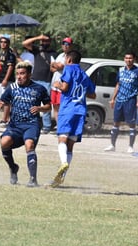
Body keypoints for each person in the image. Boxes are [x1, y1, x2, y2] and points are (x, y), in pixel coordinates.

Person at [47, 50, 96, 188]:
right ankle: (61, 177)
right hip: (80, 111)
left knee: (62, 138)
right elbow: (92, 94)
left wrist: (58, 85)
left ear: (68, 60)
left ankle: (63, 163)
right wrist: (80, 91)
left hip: (68, 109)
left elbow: (65, 87)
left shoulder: (68, 69)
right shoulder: (85, 75)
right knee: (70, 145)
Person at [0, 62, 51, 187]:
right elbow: (3, 101)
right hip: (15, 125)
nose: (19, 77)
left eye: (22, 74)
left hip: (32, 124)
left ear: (29, 74)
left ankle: (33, 179)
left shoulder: (39, 89)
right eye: (17, 74)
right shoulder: (12, 88)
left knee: (29, 144)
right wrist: (1, 105)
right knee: (4, 142)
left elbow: (49, 106)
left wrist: (40, 108)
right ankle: (13, 168)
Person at [104, 51, 138, 153]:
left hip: (130, 99)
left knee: (131, 123)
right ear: (124, 59)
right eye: (126, 58)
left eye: (130, 58)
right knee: (116, 122)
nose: (128, 60)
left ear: (134, 59)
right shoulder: (121, 70)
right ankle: (112, 145)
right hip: (120, 99)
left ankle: (130, 146)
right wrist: (113, 98)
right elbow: (118, 84)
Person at [22, 34, 57, 134]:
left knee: (46, 104)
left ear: (50, 42)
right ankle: (30, 123)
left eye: (46, 41)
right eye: (43, 41)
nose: (44, 43)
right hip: (35, 80)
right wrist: (38, 37)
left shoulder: (54, 53)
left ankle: (46, 126)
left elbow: (56, 67)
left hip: (47, 81)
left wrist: (53, 68)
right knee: (30, 102)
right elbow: (25, 43)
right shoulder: (37, 50)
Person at [50, 37, 73, 127]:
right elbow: (52, 69)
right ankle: (59, 126)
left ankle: (64, 126)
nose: (66, 46)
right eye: (64, 43)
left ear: (71, 46)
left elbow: (60, 66)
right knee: (55, 106)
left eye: (68, 44)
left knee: (62, 107)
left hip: (62, 85)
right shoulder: (60, 55)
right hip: (54, 85)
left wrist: (54, 64)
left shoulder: (70, 56)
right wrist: (55, 65)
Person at [0, 36, 16, 128]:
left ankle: (5, 120)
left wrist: (6, 79)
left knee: (6, 100)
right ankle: (6, 118)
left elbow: (10, 67)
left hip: (7, 80)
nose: (3, 43)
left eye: (5, 42)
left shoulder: (10, 54)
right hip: (0, 79)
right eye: (1, 42)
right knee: (2, 100)